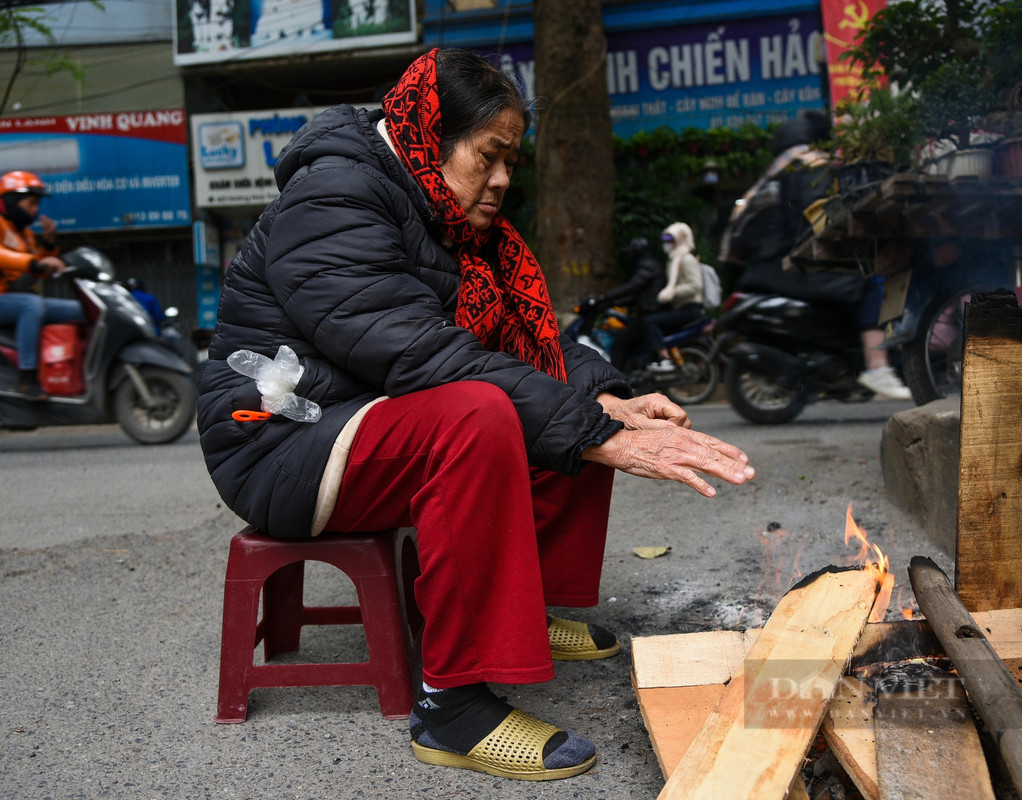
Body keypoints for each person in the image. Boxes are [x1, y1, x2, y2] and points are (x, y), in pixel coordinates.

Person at [196, 49, 755, 782]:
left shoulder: (440, 211)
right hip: (282, 440)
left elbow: (521, 343)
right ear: (430, 136)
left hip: (365, 414)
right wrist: (593, 430)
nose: (501, 179)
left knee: (566, 402)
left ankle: (525, 608)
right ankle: (451, 708)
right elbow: (416, 351)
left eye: (510, 162)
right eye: (487, 156)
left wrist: (607, 400)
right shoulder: (334, 196)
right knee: (483, 414)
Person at [721, 112, 913, 401]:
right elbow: (819, 216)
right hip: (791, 266)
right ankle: (877, 365)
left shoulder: (777, 170)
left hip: (766, 269)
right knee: (869, 280)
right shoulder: (809, 164)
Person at [0, 170, 83, 400]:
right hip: (8, 299)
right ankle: (27, 377)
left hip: (13, 298)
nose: (35, 210)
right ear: (12, 200)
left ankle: (80, 373)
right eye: (31, 203)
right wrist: (33, 263)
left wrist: (48, 244)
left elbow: (39, 271)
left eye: (37, 204)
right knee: (31, 304)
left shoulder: (25, 234)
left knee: (83, 310)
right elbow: (6, 257)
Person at [580, 236, 666, 370]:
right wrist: (608, 303)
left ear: (637, 252)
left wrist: (603, 297)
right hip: (648, 314)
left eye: (631, 252)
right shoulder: (651, 265)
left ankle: (617, 379)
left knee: (618, 346)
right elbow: (635, 296)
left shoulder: (647, 267)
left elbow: (631, 288)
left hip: (647, 316)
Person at [643, 221, 706, 372]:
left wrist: (672, 292)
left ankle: (664, 358)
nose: (666, 244)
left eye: (670, 240)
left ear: (679, 240)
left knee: (650, 322)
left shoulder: (686, 259)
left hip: (690, 309)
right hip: (680, 307)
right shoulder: (674, 259)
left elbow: (695, 285)